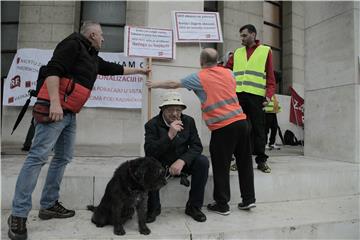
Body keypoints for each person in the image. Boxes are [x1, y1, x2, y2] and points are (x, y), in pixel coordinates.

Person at [8, 21, 150, 240]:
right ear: (92, 34)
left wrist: (139, 70)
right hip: (55, 111)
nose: (103, 39)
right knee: (37, 157)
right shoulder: (72, 44)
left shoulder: (90, 55)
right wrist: (55, 102)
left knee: (63, 157)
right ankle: (18, 215)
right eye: (101, 35)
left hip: (69, 114)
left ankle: (49, 204)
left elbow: (114, 69)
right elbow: (53, 72)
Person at [146, 48, 256, 216]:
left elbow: (173, 84)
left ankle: (222, 204)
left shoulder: (200, 76)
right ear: (217, 60)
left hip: (223, 127)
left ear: (201, 62)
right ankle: (249, 199)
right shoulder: (229, 73)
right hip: (242, 122)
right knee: (245, 162)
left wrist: (154, 84)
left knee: (221, 166)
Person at [144, 91, 209, 223]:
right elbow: (149, 151)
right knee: (149, 163)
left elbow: (197, 146)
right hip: (161, 165)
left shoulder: (188, 121)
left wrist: (182, 161)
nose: (174, 114)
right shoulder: (152, 124)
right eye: (170, 110)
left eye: (178, 110)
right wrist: (170, 135)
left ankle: (193, 207)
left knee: (202, 161)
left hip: (182, 164)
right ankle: (154, 208)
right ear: (162, 109)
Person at [225, 24, 276, 173]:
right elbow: (227, 71)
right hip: (238, 95)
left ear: (253, 35)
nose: (242, 38)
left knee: (259, 129)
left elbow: (270, 77)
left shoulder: (265, 51)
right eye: (241, 35)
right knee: (239, 129)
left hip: (256, 96)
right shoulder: (237, 52)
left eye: (244, 35)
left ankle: (261, 161)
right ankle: (238, 159)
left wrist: (269, 95)